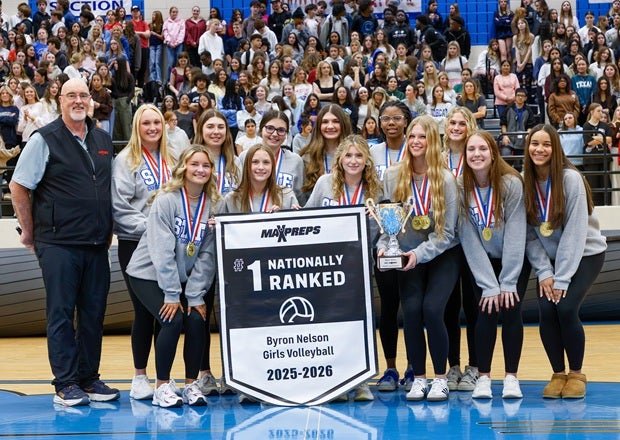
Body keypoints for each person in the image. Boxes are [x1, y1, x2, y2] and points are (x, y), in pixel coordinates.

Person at [9, 78, 119, 406]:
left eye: (83, 95)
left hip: (96, 243)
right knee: (61, 312)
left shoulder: (102, 138)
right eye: (71, 94)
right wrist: (29, 232)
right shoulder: (44, 139)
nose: (78, 100)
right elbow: (18, 187)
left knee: (93, 312)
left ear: (91, 101)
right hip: (58, 243)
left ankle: (88, 378)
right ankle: (66, 382)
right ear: (59, 100)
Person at [126, 144, 221, 407]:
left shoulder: (213, 204)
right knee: (172, 319)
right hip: (146, 273)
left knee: (195, 318)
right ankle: (161, 387)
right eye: (194, 164)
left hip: (181, 278)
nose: (200, 170)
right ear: (183, 168)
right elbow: (161, 251)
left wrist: (194, 295)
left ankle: (191, 385)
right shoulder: (166, 200)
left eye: (205, 165)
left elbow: (207, 256)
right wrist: (171, 294)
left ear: (211, 171)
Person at [379, 115, 459, 402]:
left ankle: (440, 378)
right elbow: (386, 221)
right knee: (410, 311)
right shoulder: (392, 175)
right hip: (407, 255)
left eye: (422, 137)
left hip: (442, 255)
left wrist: (417, 254)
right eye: (412, 136)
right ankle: (419, 378)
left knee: (433, 309)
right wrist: (383, 245)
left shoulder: (446, 179)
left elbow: (447, 233)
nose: (415, 142)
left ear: (433, 142)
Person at [523, 124, 607, 399]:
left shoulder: (570, 179)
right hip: (551, 260)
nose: (540, 149)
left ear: (556, 148)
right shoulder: (524, 181)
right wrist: (545, 271)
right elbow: (528, 235)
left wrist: (562, 278)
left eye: (546, 144)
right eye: (535, 143)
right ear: (528, 147)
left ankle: (576, 373)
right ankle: (558, 373)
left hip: (585, 254)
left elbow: (575, 233)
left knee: (566, 307)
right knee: (546, 311)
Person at [458, 130, 530, 400]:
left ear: (493, 153)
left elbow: (516, 232)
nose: (477, 154)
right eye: (471, 150)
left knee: (511, 310)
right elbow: (468, 237)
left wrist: (508, 281)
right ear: (465, 156)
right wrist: (489, 284)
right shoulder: (460, 187)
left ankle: (511, 377)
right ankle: (484, 378)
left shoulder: (511, 183)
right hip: (482, 262)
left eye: (482, 149)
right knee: (485, 312)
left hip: (513, 260)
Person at [112, 105, 176, 401]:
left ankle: (165, 375)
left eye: (157, 122)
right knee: (143, 311)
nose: (152, 127)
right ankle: (140, 376)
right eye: (146, 123)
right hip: (135, 244)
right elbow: (120, 208)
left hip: (170, 247)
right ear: (137, 126)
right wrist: (154, 227)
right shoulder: (126, 160)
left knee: (168, 308)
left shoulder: (172, 158)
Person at [441, 107, 480, 392]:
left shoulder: (477, 155)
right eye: (452, 122)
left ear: (470, 127)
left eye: (462, 123)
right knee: (449, 307)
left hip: (474, 240)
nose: (456, 127)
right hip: (446, 242)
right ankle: (453, 365)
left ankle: (475, 366)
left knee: (474, 306)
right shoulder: (437, 158)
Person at [238, 111, 304, 200]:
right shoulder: (245, 157)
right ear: (261, 129)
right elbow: (239, 191)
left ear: (286, 134)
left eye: (281, 130)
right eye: (270, 128)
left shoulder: (296, 161)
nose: (275, 134)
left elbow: (299, 197)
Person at [299, 105, 353, 204]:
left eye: (336, 121)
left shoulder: (355, 156)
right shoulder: (307, 157)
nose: (330, 126)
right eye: (325, 122)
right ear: (319, 126)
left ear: (343, 124)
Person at [582, 103, 612, 205]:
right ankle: (594, 206)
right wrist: (602, 139)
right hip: (591, 159)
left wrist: (596, 138)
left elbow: (609, 139)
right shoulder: (586, 125)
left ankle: (606, 205)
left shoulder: (604, 125)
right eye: (598, 111)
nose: (601, 113)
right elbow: (589, 142)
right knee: (593, 185)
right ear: (592, 112)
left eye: (602, 111)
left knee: (605, 183)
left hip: (604, 158)